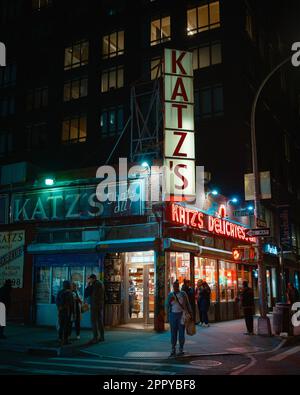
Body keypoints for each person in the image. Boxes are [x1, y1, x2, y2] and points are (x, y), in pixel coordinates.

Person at [166, 280, 192, 357]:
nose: (175, 288)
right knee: (173, 333)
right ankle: (173, 348)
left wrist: (191, 313)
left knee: (181, 333)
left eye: (176, 286)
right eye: (174, 286)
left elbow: (187, 304)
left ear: (179, 286)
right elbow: (166, 305)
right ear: (173, 287)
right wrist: (169, 302)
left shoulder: (183, 294)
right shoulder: (170, 295)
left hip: (181, 316)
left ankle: (181, 348)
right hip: (173, 315)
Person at [85, 274, 105, 344]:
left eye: (89, 279)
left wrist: (88, 285)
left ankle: (95, 338)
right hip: (100, 304)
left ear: (92, 279)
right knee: (100, 321)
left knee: (93, 321)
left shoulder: (94, 284)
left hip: (95, 305)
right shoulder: (101, 283)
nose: (89, 280)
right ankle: (102, 337)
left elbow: (86, 293)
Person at [56, 280, 74, 346]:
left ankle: (60, 338)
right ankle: (65, 339)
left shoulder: (60, 292)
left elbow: (57, 301)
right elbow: (71, 304)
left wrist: (59, 307)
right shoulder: (69, 293)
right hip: (67, 311)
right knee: (67, 325)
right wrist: (73, 313)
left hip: (61, 311)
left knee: (61, 325)